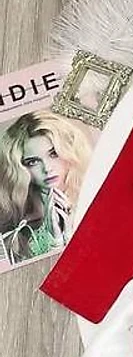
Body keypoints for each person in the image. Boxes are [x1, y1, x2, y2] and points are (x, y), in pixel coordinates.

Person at [0, 110, 91, 265]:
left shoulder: (94, 199)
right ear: (19, 169)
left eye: (53, 154)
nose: (47, 168)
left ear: (68, 152)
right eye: (33, 162)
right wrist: (54, 241)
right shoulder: (13, 235)